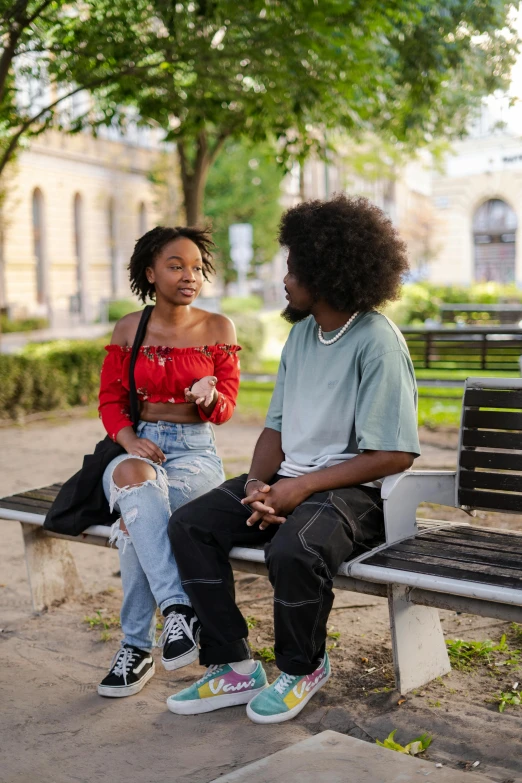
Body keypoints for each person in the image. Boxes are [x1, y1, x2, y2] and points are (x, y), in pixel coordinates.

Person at [166, 194, 421, 724]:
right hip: (291, 480)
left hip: (355, 493)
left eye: (292, 269)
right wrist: (259, 486)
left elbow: (394, 453)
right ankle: (233, 664)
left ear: (326, 272)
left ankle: (303, 667)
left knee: (295, 547)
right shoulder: (302, 335)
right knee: (191, 524)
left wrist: (300, 489)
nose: (284, 279)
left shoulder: (377, 341)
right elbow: (276, 428)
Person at [96, 225, 240, 698]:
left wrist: (209, 395)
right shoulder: (127, 329)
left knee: (138, 522)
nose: (189, 276)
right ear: (151, 272)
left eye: (196, 267)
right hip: (139, 449)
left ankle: (136, 648)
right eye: (176, 266)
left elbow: (226, 410)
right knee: (132, 482)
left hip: (195, 453)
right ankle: (178, 611)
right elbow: (110, 402)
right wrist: (129, 439)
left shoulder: (219, 329)